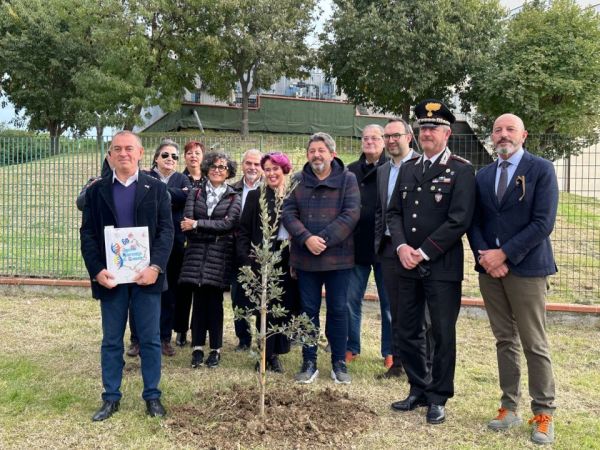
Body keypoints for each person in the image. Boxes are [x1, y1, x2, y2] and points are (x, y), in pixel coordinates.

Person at [467, 113, 558, 445]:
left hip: (528, 268)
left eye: (510, 130)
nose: (502, 135)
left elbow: (543, 223)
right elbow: (473, 222)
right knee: (505, 340)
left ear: (524, 135)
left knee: (534, 343)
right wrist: (486, 258)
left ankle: (544, 412)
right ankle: (509, 406)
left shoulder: (541, 170)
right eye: (497, 130)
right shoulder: (483, 175)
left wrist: (503, 254)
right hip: (490, 272)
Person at [386, 99, 475, 424]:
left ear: (447, 132)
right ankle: (418, 388)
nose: (427, 132)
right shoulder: (409, 168)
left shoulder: (461, 170)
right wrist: (401, 249)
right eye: (423, 127)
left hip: (441, 266)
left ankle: (439, 396)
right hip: (406, 264)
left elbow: (459, 220)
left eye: (433, 128)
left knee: (441, 332)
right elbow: (393, 212)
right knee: (407, 329)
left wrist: (422, 251)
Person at [80, 131, 173, 421]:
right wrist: (97, 270)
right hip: (112, 279)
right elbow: (88, 235)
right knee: (111, 340)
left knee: (150, 340)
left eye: (128, 148)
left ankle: (152, 397)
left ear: (141, 152)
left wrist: (155, 267)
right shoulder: (96, 191)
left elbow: (167, 231)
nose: (123, 153)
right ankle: (110, 398)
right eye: (117, 149)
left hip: (147, 278)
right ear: (109, 155)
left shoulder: (156, 189)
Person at [282, 132, 360, 384]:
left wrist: (322, 239)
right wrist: (306, 238)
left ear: (332, 154)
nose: (316, 155)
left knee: (338, 310)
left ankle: (339, 363)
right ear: (307, 155)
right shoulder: (297, 180)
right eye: (312, 150)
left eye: (321, 150)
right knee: (308, 312)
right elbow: (288, 213)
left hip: (339, 258)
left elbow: (351, 214)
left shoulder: (348, 179)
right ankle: (309, 361)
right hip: (306, 259)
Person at [237, 152, 300, 373]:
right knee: (264, 307)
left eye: (276, 168)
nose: (272, 173)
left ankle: (276, 353)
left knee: (283, 306)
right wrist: (247, 259)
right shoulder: (256, 196)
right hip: (262, 258)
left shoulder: (294, 195)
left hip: (287, 258)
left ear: (285, 170)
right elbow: (244, 230)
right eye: (268, 169)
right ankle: (263, 354)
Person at [179, 152, 241, 369]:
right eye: (214, 166)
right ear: (206, 168)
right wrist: (209, 230)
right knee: (198, 303)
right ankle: (197, 349)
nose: (217, 169)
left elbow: (229, 225)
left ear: (229, 172)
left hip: (220, 257)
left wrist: (198, 224)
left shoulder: (234, 197)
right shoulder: (195, 194)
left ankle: (215, 349)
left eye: (223, 167)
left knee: (215, 304)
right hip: (196, 255)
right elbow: (186, 225)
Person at [373, 118, 420, 378]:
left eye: (396, 135)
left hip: (415, 249)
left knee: (418, 311)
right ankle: (398, 363)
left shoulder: (420, 166)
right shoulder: (383, 170)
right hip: (389, 248)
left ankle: (421, 365)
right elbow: (382, 210)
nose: (391, 140)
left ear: (409, 137)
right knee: (394, 307)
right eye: (387, 136)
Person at [345, 124, 392, 367]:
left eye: (375, 138)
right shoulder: (351, 171)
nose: (370, 142)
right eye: (366, 138)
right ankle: (351, 346)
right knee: (351, 300)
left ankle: (390, 351)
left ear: (384, 141)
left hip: (386, 246)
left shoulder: (392, 168)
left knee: (389, 303)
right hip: (357, 245)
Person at [144, 140, 192, 356]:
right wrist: (173, 194)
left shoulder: (183, 178)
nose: (170, 159)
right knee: (142, 291)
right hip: (146, 242)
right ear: (156, 158)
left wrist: (159, 192)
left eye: (174, 156)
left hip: (173, 242)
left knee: (169, 291)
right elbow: (145, 201)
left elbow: (187, 196)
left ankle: (164, 338)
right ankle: (139, 338)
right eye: (165, 155)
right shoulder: (145, 177)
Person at [230, 149, 264, 351]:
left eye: (257, 164)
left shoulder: (268, 189)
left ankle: (263, 338)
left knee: (262, 297)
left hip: (262, 252)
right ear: (242, 165)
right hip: (237, 250)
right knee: (238, 296)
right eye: (248, 163)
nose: (252, 167)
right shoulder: (232, 189)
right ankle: (243, 338)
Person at [174, 140, 205, 347]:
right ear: (184, 157)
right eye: (189, 153)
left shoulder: (209, 180)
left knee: (200, 290)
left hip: (202, 240)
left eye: (197, 152)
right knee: (182, 288)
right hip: (181, 239)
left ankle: (198, 330)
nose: (193, 156)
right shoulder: (178, 179)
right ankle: (181, 330)